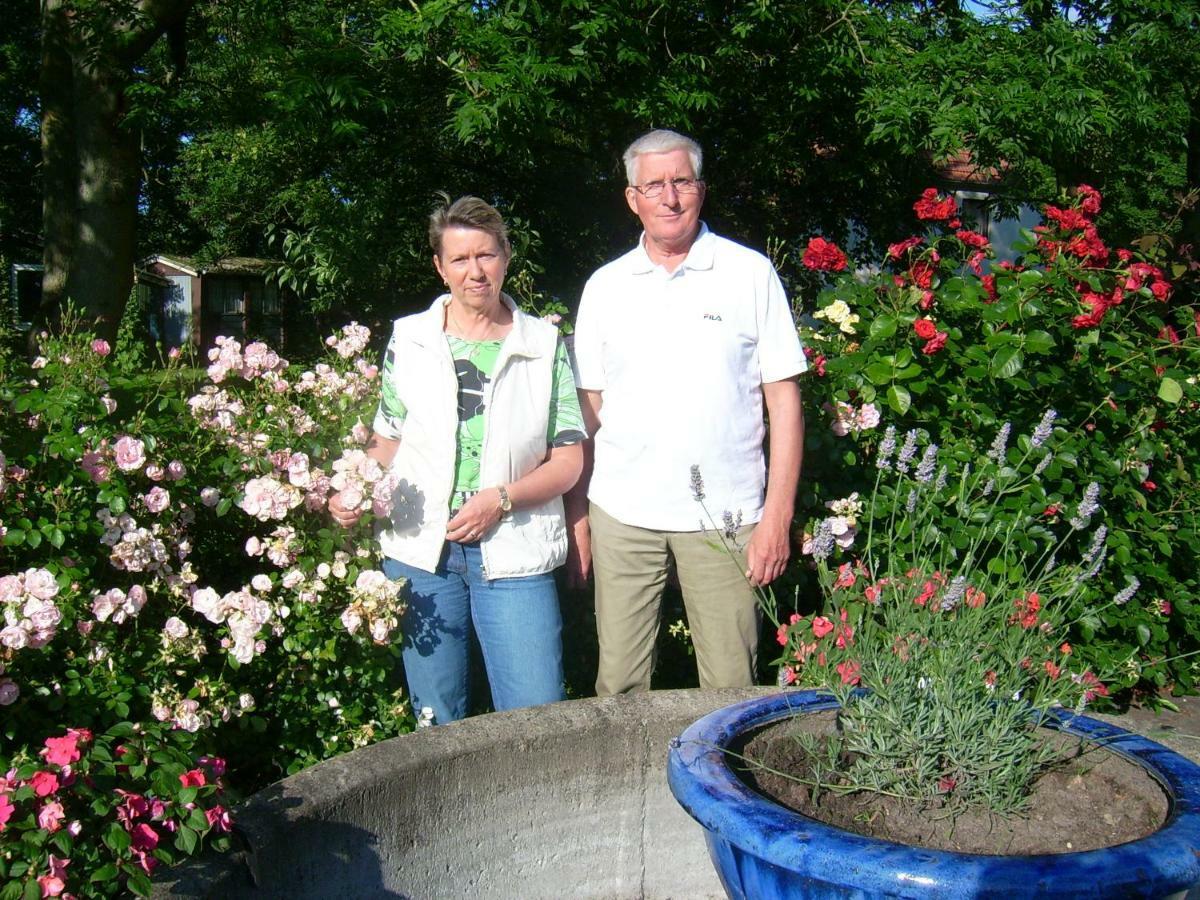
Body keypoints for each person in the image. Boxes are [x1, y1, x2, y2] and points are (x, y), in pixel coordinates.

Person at [330, 195, 585, 725]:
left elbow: (568, 461)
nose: (475, 272)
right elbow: (387, 439)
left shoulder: (543, 343)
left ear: (507, 257)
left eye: (486, 255)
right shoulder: (411, 338)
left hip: (514, 548)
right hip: (422, 552)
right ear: (440, 267)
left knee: (534, 714)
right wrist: (354, 489)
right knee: (435, 715)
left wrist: (501, 499)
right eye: (461, 259)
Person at [568, 129, 806, 695]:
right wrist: (578, 515)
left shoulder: (750, 274)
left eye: (681, 182)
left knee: (730, 688)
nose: (669, 198)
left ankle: (719, 784)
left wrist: (776, 519)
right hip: (623, 514)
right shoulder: (606, 287)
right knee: (618, 689)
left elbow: (786, 406)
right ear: (632, 198)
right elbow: (586, 414)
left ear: (701, 189)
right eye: (653, 185)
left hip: (726, 518)